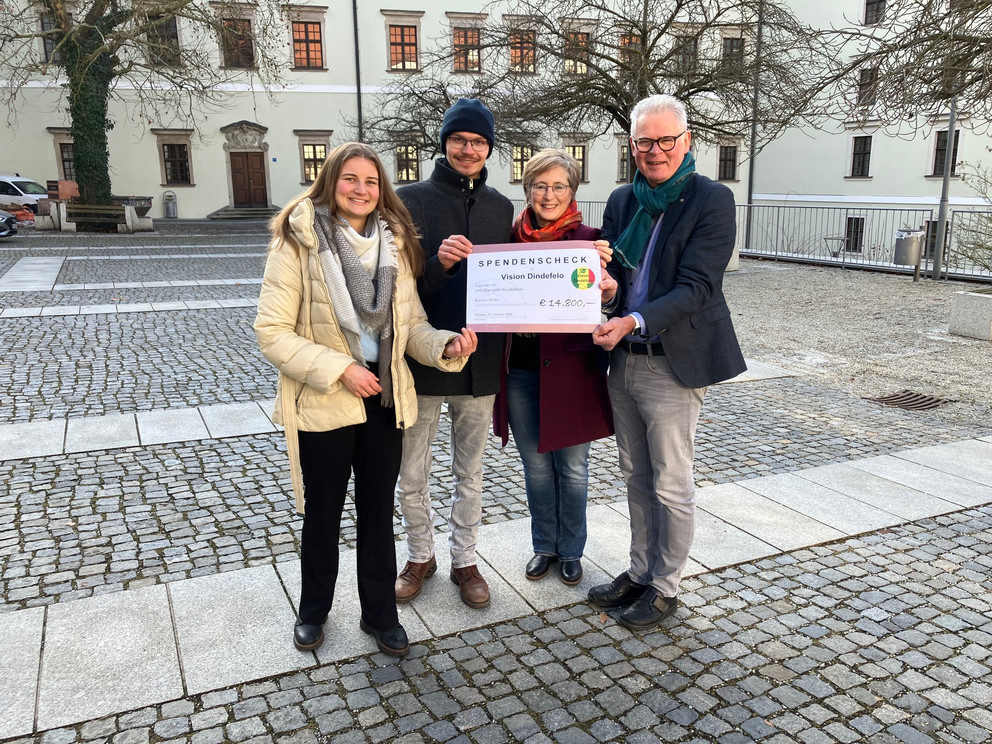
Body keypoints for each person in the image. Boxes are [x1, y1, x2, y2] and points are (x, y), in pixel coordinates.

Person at [254, 142, 478, 656]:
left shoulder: (396, 244)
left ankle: (379, 615)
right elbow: (272, 332)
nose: (361, 190)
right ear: (330, 182)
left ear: (383, 190)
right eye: (350, 179)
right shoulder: (298, 242)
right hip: (327, 399)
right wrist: (341, 369)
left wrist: (444, 345)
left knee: (377, 513)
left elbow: (411, 326)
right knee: (323, 512)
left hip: (385, 399)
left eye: (372, 182)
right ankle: (313, 610)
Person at [588, 94, 746, 631]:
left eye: (665, 141)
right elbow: (615, 282)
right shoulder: (621, 200)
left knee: (671, 480)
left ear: (688, 141)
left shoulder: (712, 199)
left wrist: (631, 320)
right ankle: (639, 571)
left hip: (671, 361)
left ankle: (666, 587)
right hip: (622, 360)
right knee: (634, 473)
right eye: (643, 141)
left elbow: (698, 287)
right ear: (631, 144)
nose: (654, 152)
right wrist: (607, 295)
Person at [394, 98, 513, 609]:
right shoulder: (409, 200)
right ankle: (420, 555)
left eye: (479, 142)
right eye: (460, 140)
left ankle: (465, 559)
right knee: (412, 471)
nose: (469, 149)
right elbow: (396, 285)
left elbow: (513, 280)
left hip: (480, 362)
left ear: (488, 149)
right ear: (444, 143)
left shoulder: (502, 207)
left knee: (472, 472)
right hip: (423, 357)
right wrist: (438, 265)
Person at [492, 149, 616, 586]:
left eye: (558, 186)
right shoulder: (506, 241)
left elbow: (608, 300)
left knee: (574, 467)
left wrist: (606, 291)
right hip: (521, 370)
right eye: (540, 186)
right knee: (537, 465)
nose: (548, 195)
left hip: (571, 370)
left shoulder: (590, 241)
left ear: (573, 191)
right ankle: (543, 545)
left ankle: (571, 549)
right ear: (527, 190)